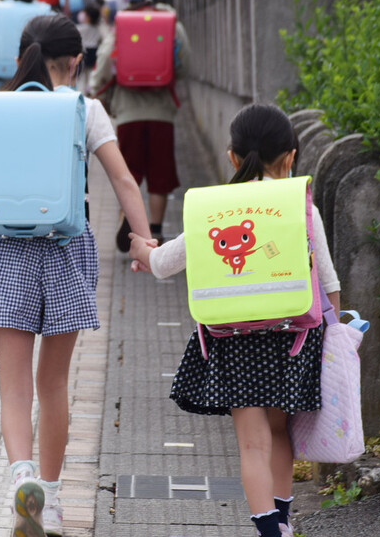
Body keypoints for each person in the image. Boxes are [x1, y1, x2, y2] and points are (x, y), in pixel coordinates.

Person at [0, 14, 151, 537]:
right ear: (77, 62)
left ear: (22, 57)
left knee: (13, 388)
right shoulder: (85, 110)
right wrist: (143, 241)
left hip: (4, 255)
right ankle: (54, 499)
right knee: (54, 382)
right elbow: (124, 180)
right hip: (64, 250)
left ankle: (22, 481)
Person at [129, 103, 342, 537]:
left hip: (234, 338)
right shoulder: (300, 206)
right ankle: (283, 522)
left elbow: (165, 262)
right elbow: (329, 280)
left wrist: (142, 251)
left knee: (252, 442)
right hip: (294, 337)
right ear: (291, 156)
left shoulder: (216, 209)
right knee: (281, 433)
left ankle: (269, 531)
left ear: (232, 157)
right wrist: (334, 332)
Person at [91, 0, 188, 248]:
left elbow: (102, 62)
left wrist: (101, 95)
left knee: (129, 171)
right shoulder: (172, 24)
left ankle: (129, 218)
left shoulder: (123, 25)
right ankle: (155, 229)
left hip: (127, 112)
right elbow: (186, 63)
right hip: (162, 112)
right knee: (160, 173)